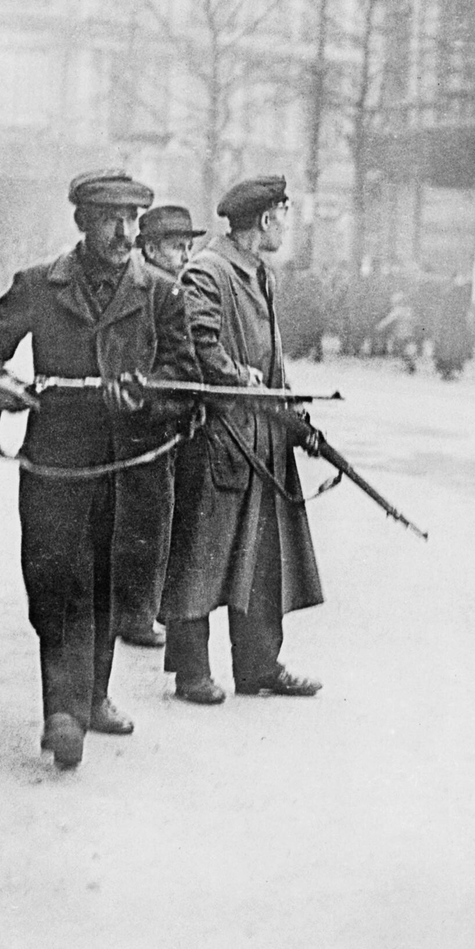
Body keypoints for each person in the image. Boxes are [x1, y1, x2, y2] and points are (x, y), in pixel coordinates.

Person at [0, 169, 199, 769]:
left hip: (130, 463)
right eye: (109, 219)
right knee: (55, 584)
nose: (123, 232)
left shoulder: (162, 292)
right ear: (81, 222)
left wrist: (147, 399)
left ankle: (89, 698)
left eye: (132, 220)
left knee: (112, 583)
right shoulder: (40, 284)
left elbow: (184, 379)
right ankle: (63, 708)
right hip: (56, 462)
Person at [163, 176, 325, 704]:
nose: (287, 224)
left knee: (262, 559)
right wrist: (240, 381)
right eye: (284, 213)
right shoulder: (208, 272)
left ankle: (258, 666)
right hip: (220, 435)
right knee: (202, 554)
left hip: (262, 436)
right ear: (266, 219)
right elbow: (198, 344)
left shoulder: (260, 273)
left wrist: (293, 413)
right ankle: (192, 673)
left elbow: (272, 361)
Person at [99, 204, 210, 651]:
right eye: (174, 247)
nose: (184, 256)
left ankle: (132, 612)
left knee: (135, 520)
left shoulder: (133, 284)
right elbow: (182, 367)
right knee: (149, 520)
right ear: (147, 247)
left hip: (138, 421)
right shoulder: (161, 291)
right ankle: (137, 615)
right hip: (149, 428)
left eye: (187, 247)